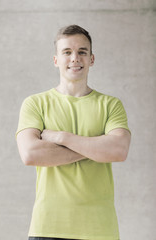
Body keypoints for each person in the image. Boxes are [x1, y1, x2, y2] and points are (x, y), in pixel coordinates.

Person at [16, 25, 131, 240]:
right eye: (67, 52)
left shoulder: (111, 105)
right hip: (48, 226)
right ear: (56, 60)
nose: (75, 58)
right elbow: (31, 154)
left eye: (82, 52)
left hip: (100, 229)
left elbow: (119, 150)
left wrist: (62, 138)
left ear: (92, 59)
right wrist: (97, 147)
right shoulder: (35, 103)